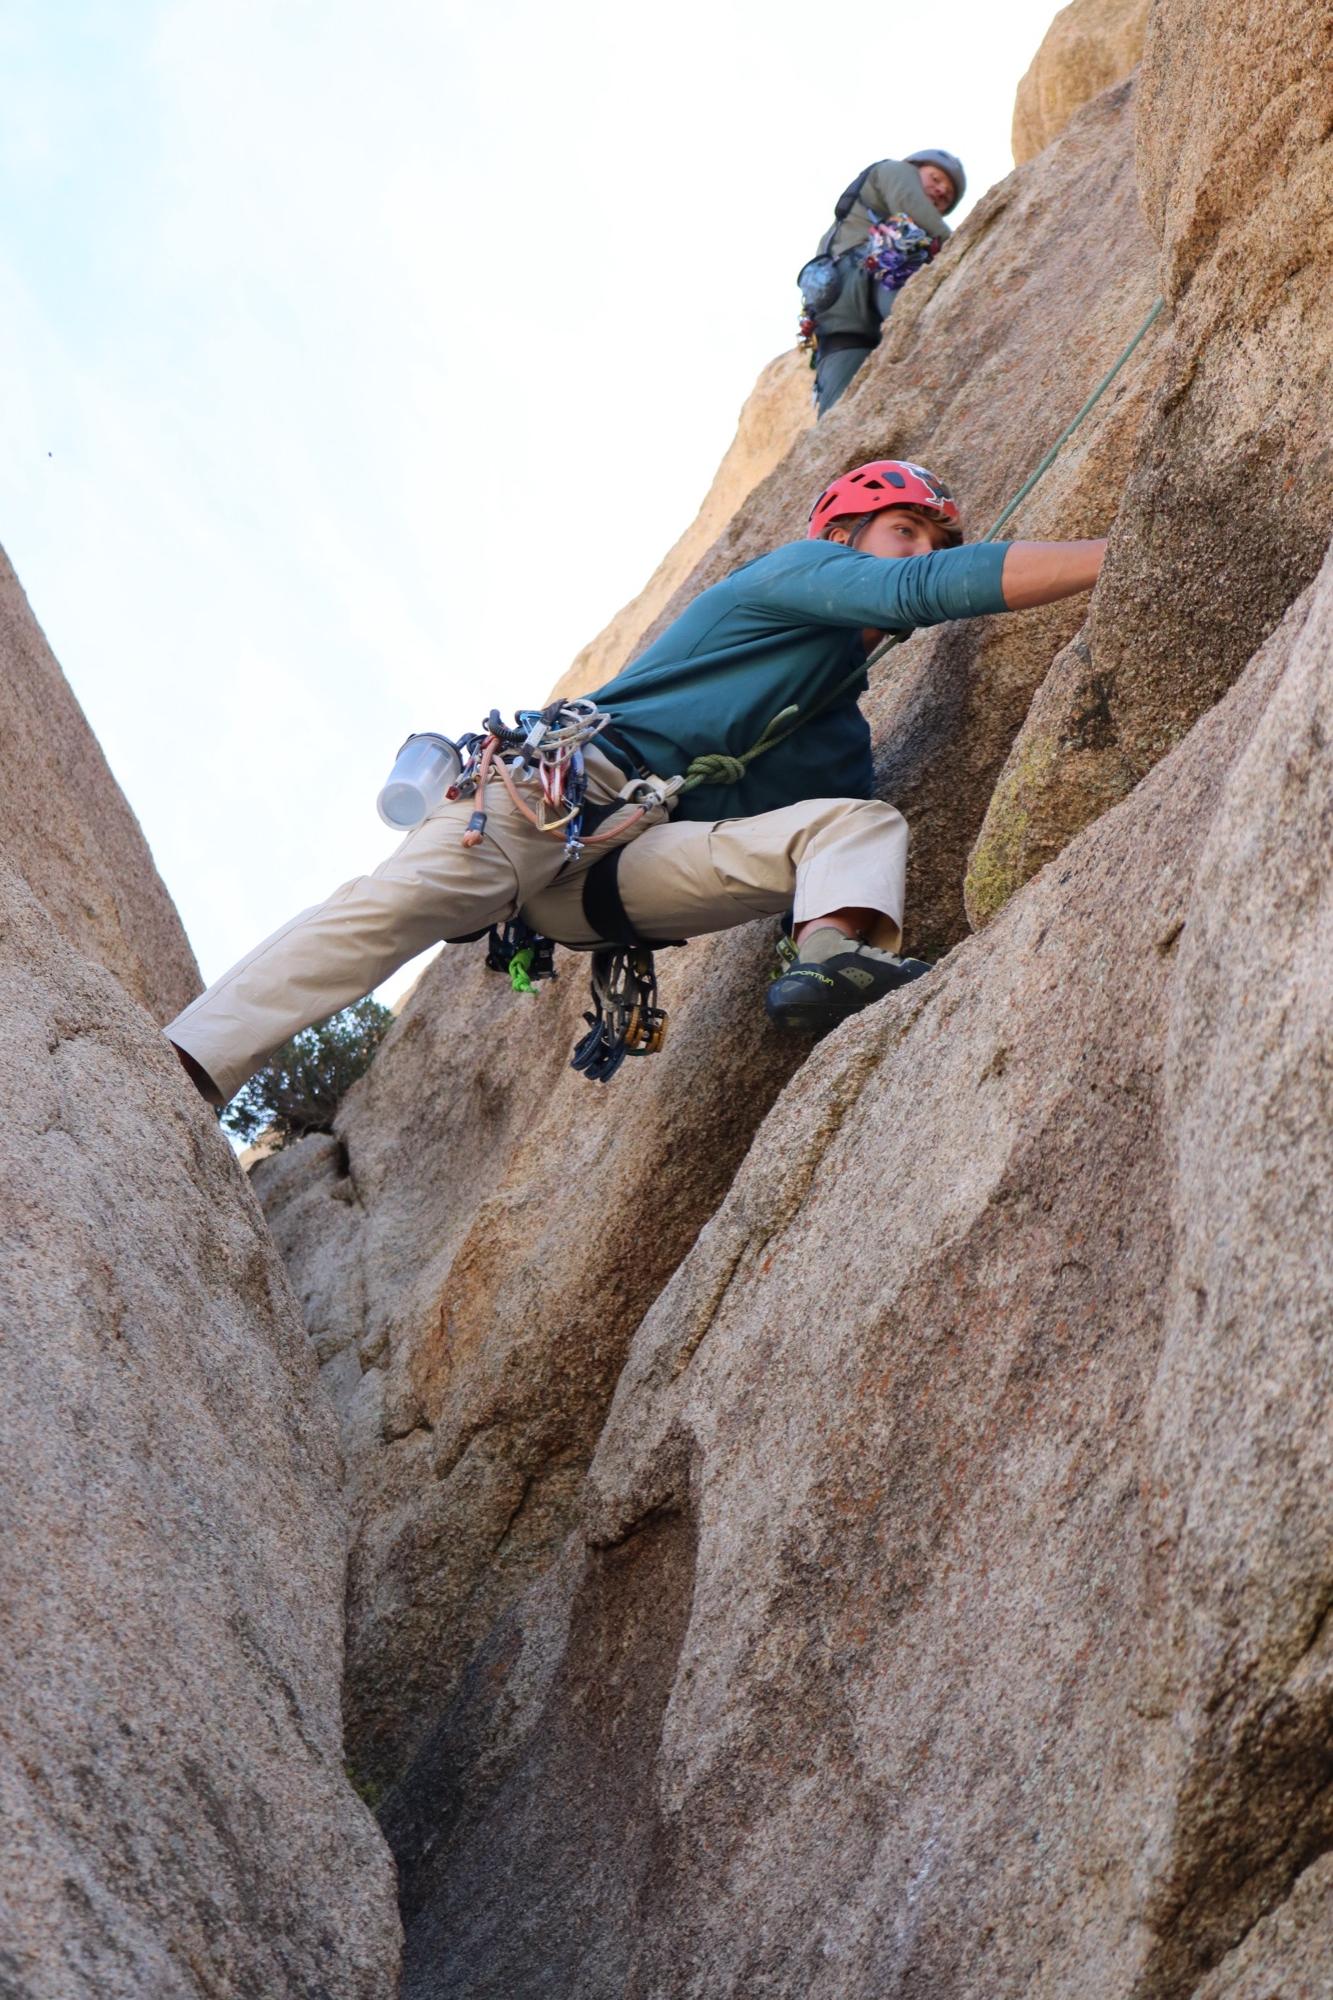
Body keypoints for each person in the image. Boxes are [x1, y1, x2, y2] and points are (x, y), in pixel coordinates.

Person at [166, 460, 1104, 1103]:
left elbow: (802, 841)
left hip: (603, 887)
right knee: (397, 907)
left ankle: (823, 971)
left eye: (926, 539)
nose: (917, 551)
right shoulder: (788, 577)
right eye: (902, 530)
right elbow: (916, 594)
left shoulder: (830, 729)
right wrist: (1114, 553)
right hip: (551, 798)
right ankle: (189, 1062)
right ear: (843, 538)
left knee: (853, 825)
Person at [804, 150, 966, 417]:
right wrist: (960, 243)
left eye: (946, 196)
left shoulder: (842, 229)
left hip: (832, 307)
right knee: (916, 322)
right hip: (875, 272)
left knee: (837, 405)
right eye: (936, 179)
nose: (940, 191)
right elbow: (913, 206)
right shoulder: (894, 170)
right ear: (915, 168)